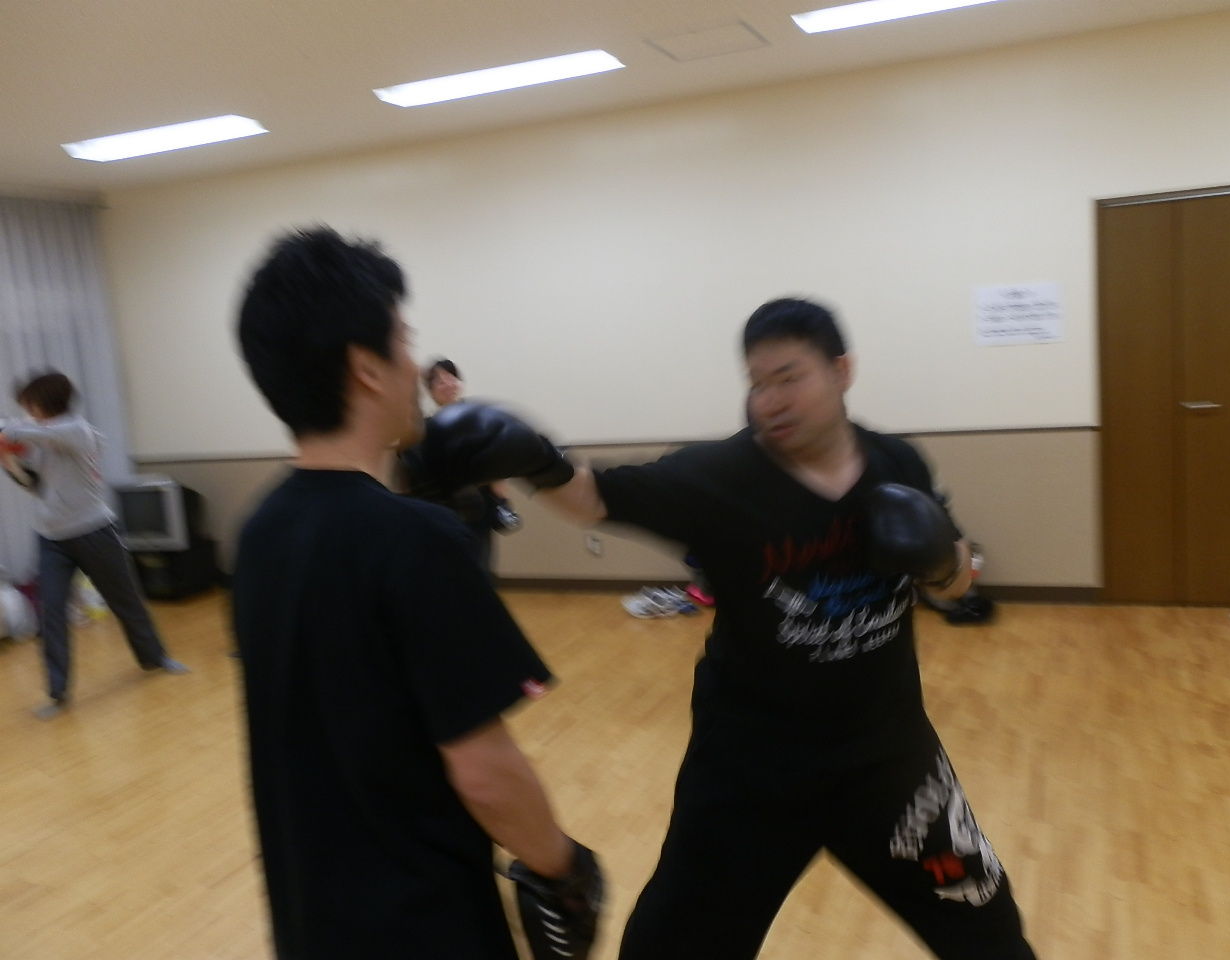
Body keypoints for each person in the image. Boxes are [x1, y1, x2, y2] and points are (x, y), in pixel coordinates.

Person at [417, 298, 1037, 959]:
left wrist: (941, 563)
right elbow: (595, 498)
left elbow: (957, 582)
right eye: (758, 382)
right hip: (751, 771)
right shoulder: (718, 478)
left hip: (890, 761)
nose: (770, 400)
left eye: (789, 377)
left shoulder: (897, 463)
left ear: (842, 370)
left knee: (990, 937)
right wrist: (536, 461)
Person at [232, 227, 602, 960]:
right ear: (366, 368)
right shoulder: (417, 539)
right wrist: (564, 869)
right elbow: (485, 773)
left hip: (309, 919)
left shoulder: (259, 530)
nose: (413, 367)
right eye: (403, 344)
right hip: (422, 925)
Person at [0, 373, 186, 720]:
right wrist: (9, 461)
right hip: (51, 537)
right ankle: (57, 693)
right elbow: (34, 485)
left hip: (94, 531)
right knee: (51, 612)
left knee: (125, 599)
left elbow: (24, 432)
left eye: (29, 404)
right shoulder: (42, 437)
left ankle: (156, 657)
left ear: (44, 402)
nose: (27, 411)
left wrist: (7, 431)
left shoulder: (77, 430)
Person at [400, 358, 520, 572]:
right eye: (439, 381)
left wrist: (502, 500)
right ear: (430, 391)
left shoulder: (479, 417)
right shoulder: (426, 429)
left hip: (479, 506)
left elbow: (496, 465)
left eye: (451, 377)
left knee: (480, 563)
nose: (447, 383)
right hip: (444, 507)